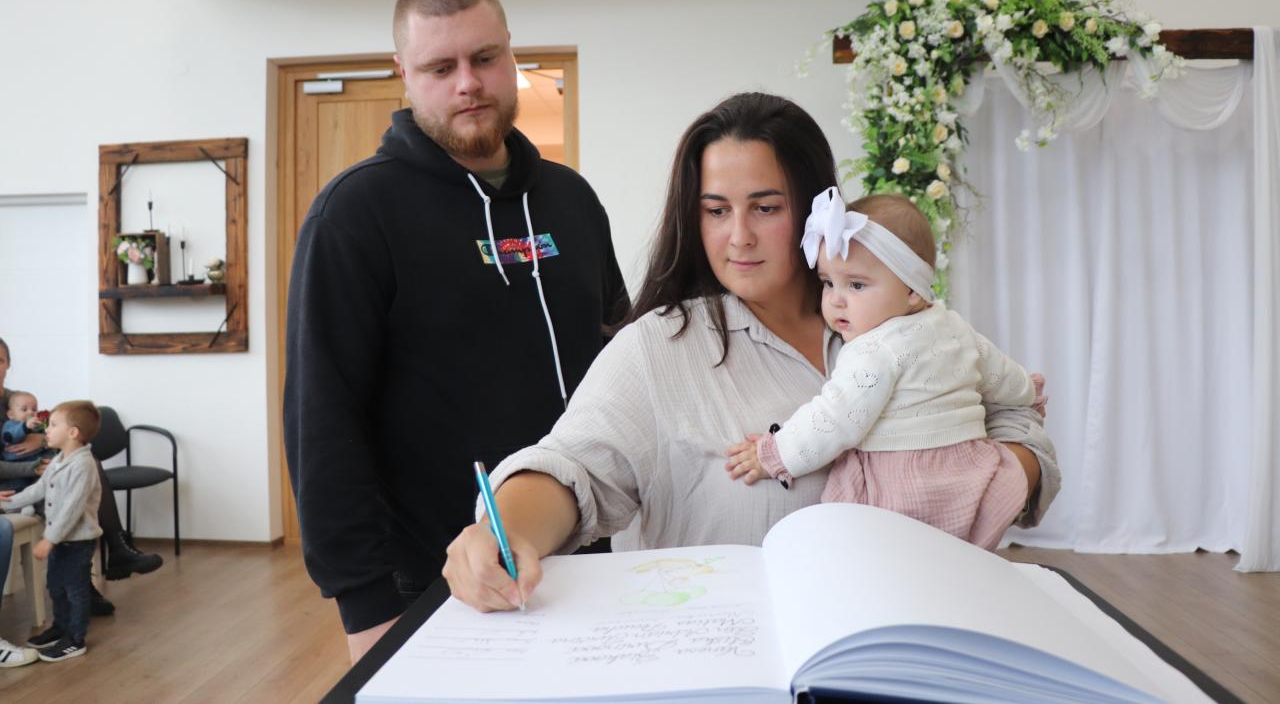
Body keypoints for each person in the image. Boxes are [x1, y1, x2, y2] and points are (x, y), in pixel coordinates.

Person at [442, 92, 1059, 612]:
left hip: (921, 628)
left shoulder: (896, 320)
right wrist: (506, 532)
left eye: (765, 208)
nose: (739, 237)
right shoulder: (659, 347)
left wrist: (986, 478)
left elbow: (1017, 420)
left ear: (816, 213)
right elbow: (572, 468)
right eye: (716, 211)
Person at [284, 0, 629, 662]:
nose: (468, 82)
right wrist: (365, 603)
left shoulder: (571, 200)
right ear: (404, 74)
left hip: (586, 556)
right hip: (428, 583)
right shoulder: (354, 215)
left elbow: (621, 358)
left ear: (511, 52)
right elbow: (322, 419)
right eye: (440, 67)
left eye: (485, 58)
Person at [724, 188, 1036, 550]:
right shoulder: (956, 327)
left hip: (904, 487)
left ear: (912, 290)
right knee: (950, 563)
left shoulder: (873, 349)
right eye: (828, 283)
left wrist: (776, 453)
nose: (836, 299)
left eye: (856, 285)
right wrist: (1030, 390)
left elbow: (835, 418)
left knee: (868, 553)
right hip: (967, 476)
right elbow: (1004, 378)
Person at [0, 338, 162, 621]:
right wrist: (35, 468)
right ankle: (102, 568)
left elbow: (53, 426)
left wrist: (41, 440)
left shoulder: (18, 398)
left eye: (0, 360)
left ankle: (111, 554)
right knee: (68, 498)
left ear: (9, 364)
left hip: (39, 472)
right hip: (12, 483)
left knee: (88, 467)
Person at [0, 400, 103, 662]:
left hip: (77, 541)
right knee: (55, 586)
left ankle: (75, 639)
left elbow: (72, 509)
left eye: (53, 425)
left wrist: (49, 539)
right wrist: (7, 503)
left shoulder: (83, 465)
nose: (46, 429)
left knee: (75, 590)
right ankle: (60, 627)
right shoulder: (59, 459)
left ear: (73, 433)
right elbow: (38, 489)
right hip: (60, 540)